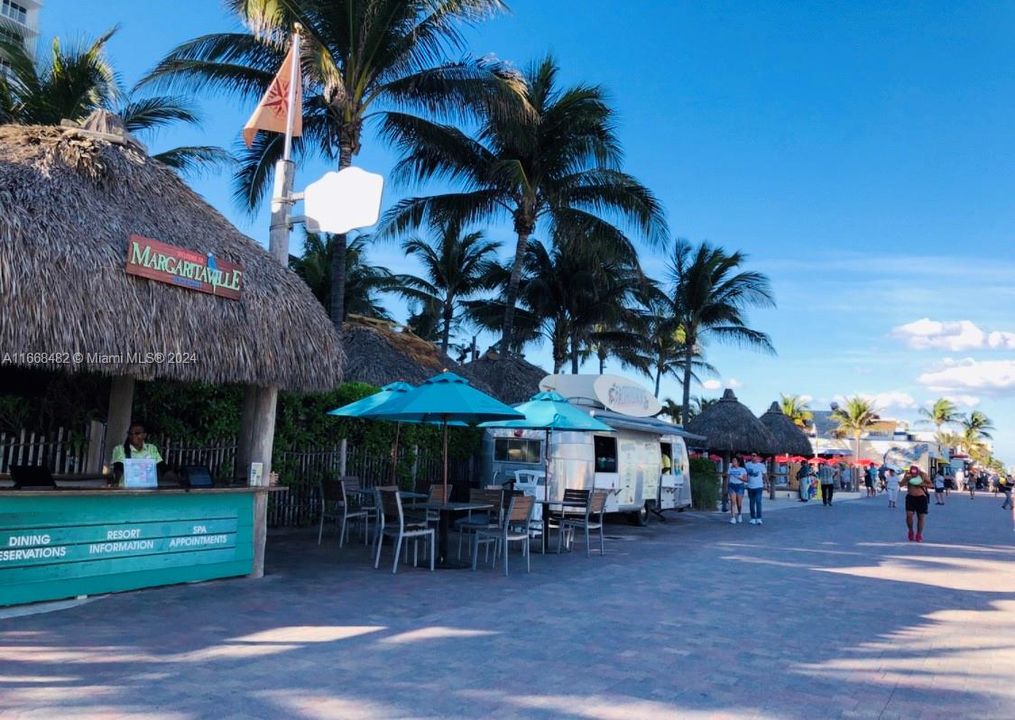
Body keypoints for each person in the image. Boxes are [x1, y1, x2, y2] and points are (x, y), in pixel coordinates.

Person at [903, 465, 933, 542]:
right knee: (909, 515)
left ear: (918, 471)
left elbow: (931, 485)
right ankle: (911, 530)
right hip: (910, 497)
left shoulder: (923, 475)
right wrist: (906, 478)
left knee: (921, 517)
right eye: (912, 472)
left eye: (915, 472)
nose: (913, 474)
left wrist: (921, 484)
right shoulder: (908, 475)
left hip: (921, 498)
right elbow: (901, 484)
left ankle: (919, 534)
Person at [744, 453, 768, 525]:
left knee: (758, 502)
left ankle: (759, 518)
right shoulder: (747, 465)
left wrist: (768, 484)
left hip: (759, 486)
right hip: (750, 486)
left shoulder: (761, 465)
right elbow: (745, 474)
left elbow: (765, 475)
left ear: (757, 457)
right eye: (751, 455)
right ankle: (752, 518)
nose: (752, 457)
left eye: (754, 456)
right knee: (751, 502)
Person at [727, 456, 747, 524]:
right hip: (732, 486)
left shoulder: (742, 469)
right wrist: (727, 486)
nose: (733, 462)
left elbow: (746, 480)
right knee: (733, 502)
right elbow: (728, 479)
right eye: (732, 461)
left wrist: (739, 478)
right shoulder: (730, 469)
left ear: (738, 462)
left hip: (740, 486)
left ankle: (739, 514)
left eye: (734, 461)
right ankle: (733, 518)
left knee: (739, 503)